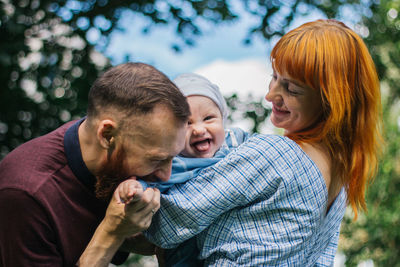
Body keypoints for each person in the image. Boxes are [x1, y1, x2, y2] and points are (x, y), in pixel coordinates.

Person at [142, 19, 383, 266]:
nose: (270, 95)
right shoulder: (341, 181)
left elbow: (168, 223)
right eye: (275, 77)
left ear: (331, 102)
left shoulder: (276, 156)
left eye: (291, 89)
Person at [0, 62, 190, 266]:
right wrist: (111, 233)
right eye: (157, 160)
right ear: (107, 136)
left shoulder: (108, 165)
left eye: (173, 157)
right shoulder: (26, 194)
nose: (167, 175)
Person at [115, 73, 249, 266]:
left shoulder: (235, 142)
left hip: (229, 235)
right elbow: (148, 183)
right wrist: (132, 189)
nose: (199, 130)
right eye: (187, 123)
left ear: (223, 118)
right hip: (183, 239)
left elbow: (262, 151)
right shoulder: (172, 161)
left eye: (209, 118)